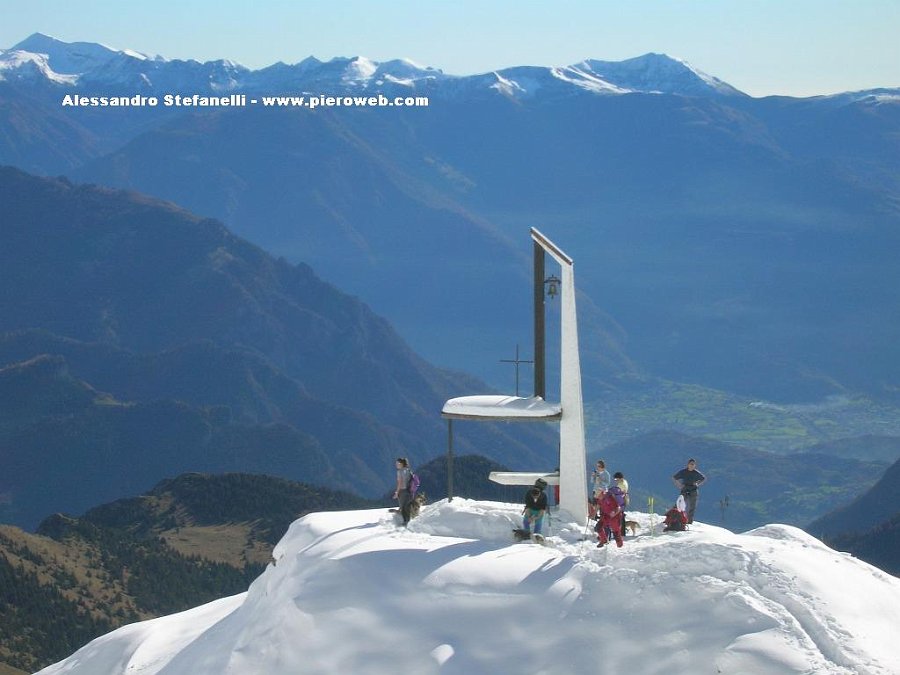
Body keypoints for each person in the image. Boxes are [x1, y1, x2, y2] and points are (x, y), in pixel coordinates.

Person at [672, 458, 706, 524]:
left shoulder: (696, 473)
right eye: (691, 464)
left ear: (695, 465)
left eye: (693, 464)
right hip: (685, 489)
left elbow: (703, 478)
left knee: (692, 506)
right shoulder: (683, 471)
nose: (692, 465)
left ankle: (689, 521)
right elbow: (674, 477)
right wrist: (679, 485)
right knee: (679, 504)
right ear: (688, 464)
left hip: (693, 490)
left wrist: (697, 484)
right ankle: (674, 518)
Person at [393, 457, 413, 526]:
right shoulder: (408, 470)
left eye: (397, 463)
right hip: (410, 491)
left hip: (402, 491)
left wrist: (397, 492)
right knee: (408, 506)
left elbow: (400, 483)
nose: (396, 464)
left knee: (403, 507)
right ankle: (409, 520)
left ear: (401, 464)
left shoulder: (400, 472)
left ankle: (405, 522)